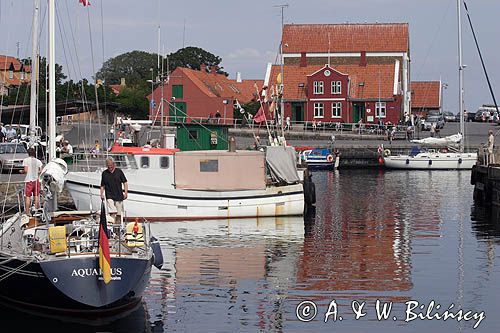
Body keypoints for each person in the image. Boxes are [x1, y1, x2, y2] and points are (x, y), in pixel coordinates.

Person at [100, 157, 128, 224]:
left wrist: (126, 193)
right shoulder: (104, 173)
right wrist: (101, 194)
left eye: (111, 166)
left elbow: (125, 182)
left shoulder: (119, 172)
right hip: (109, 195)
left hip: (119, 195)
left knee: (118, 214)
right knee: (112, 211)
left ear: (114, 164)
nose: (110, 168)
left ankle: (117, 228)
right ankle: (112, 225)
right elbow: (102, 185)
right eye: (108, 166)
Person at [21, 148, 43, 214]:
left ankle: (27, 212)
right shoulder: (38, 161)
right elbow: (41, 171)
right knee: (36, 195)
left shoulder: (26, 160)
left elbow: (26, 170)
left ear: (28, 153)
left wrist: (21, 171)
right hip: (36, 180)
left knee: (28, 196)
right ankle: (36, 210)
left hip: (29, 180)